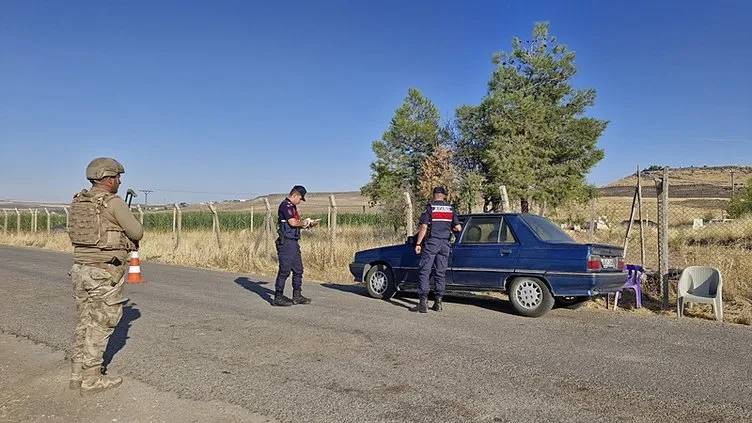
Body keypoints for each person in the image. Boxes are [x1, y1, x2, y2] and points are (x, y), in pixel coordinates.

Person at [68, 157, 143, 392]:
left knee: (84, 322)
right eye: (118, 177)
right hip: (104, 271)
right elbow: (136, 231)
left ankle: (77, 373)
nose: (119, 181)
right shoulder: (113, 203)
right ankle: (92, 378)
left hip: (81, 269)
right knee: (101, 324)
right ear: (108, 179)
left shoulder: (79, 201)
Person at [413, 187, 462, 313]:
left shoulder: (430, 207)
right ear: (444, 196)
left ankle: (423, 303)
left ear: (434, 195)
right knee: (440, 273)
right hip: (445, 244)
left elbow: (423, 227)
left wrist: (418, 243)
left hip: (432, 243)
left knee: (425, 271)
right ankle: (438, 303)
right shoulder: (450, 209)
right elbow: (458, 227)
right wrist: (449, 230)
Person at [273, 185, 318, 306]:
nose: (300, 202)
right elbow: (292, 222)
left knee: (298, 270)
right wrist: (305, 222)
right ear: (295, 195)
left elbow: (295, 223)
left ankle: (297, 295)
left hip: (293, 242)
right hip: (286, 242)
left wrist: (307, 225)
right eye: (300, 199)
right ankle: (278, 296)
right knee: (284, 271)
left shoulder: (292, 207)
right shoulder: (285, 205)